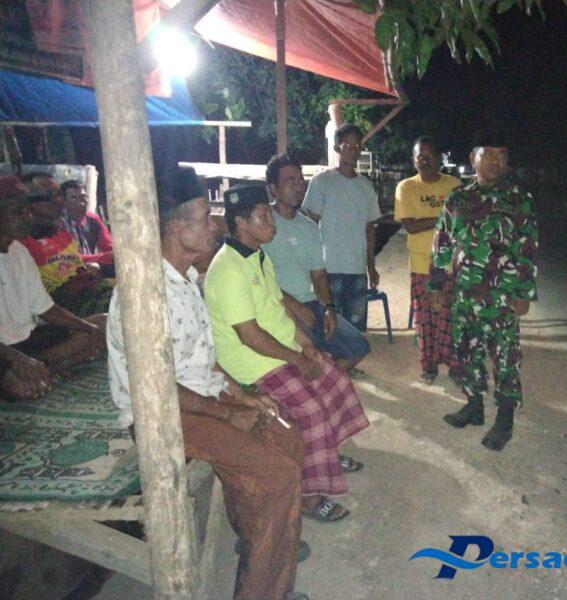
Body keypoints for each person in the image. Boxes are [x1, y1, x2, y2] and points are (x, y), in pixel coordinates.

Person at [106, 166, 309, 600]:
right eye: (204, 216)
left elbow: (202, 361)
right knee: (276, 475)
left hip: (202, 399)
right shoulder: (145, 293)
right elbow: (157, 390)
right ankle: (262, 588)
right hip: (162, 415)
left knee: (286, 433)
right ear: (175, 227)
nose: (215, 224)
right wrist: (227, 414)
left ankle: (260, 539)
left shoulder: (187, 279)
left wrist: (242, 396)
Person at [205, 183, 369, 523]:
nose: (272, 222)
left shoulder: (258, 256)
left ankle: (325, 456)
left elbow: (278, 309)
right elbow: (249, 336)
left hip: (279, 350)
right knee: (311, 411)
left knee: (335, 379)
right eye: (264, 216)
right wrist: (297, 360)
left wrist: (307, 346)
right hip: (253, 363)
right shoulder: (228, 270)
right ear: (241, 222)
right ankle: (309, 496)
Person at [429, 134, 538, 451]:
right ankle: (474, 404)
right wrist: (436, 284)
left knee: (506, 357)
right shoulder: (457, 198)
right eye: (488, 153)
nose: (495, 161)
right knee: (466, 351)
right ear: (473, 158)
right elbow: (442, 242)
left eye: (501, 155)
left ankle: (505, 417)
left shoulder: (519, 199)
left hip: (503, 297)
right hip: (465, 294)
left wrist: (524, 292)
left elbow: (529, 247)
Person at [262, 153, 371, 376]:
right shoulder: (263, 225)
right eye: (290, 181)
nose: (298, 186)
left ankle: (321, 382)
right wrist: (293, 304)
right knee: (310, 352)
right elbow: (259, 278)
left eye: (300, 180)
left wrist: (329, 309)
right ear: (273, 188)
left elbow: (319, 275)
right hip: (278, 307)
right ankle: (318, 378)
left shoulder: (309, 227)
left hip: (311, 304)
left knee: (358, 347)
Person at [0, 175, 106, 401]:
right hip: (4, 351)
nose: (28, 217)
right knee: (23, 389)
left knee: (103, 324)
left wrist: (89, 328)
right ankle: (42, 370)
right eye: (18, 211)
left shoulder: (19, 251)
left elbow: (46, 309)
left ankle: (40, 369)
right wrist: (17, 359)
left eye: (27, 210)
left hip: (29, 340)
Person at [394, 136, 462, 385]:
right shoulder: (406, 188)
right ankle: (430, 365)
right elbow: (410, 226)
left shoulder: (454, 185)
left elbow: (462, 221)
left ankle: (454, 364)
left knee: (451, 318)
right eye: (419, 157)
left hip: (451, 265)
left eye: (430, 156)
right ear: (413, 160)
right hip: (422, 265)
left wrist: (432, 220)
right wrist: (444, 217)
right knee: (425, 320)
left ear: (439, 158)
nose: (425, 161)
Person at [302, 124, 382, 332]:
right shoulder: (322, 182)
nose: (353, 151)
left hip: (357, 269)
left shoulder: (365, 186)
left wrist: (371, 266)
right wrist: (311, 264)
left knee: (356, 329)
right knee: (328, 327)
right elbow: (310, 226)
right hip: (328, 268)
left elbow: (370, 229)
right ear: (337, 148)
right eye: (348, 145)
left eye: (358, 147)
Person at [18, 173, 113, 317]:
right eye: (49, 195)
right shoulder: (21, 246)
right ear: (29, 203)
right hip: (68, 311)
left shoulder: (62, 234)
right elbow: (43, 302)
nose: (59, 201)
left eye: (59, 194)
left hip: (91, 293)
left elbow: (77, 269)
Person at [61, 179, 115, 277]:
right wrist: (103, 257)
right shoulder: (58, 223)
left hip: (91, 272)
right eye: (74, 199)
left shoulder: (92, 219)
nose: (81, 203)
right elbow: (65, 259)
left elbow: (109, 248)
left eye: (83, 197)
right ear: (64, 201)